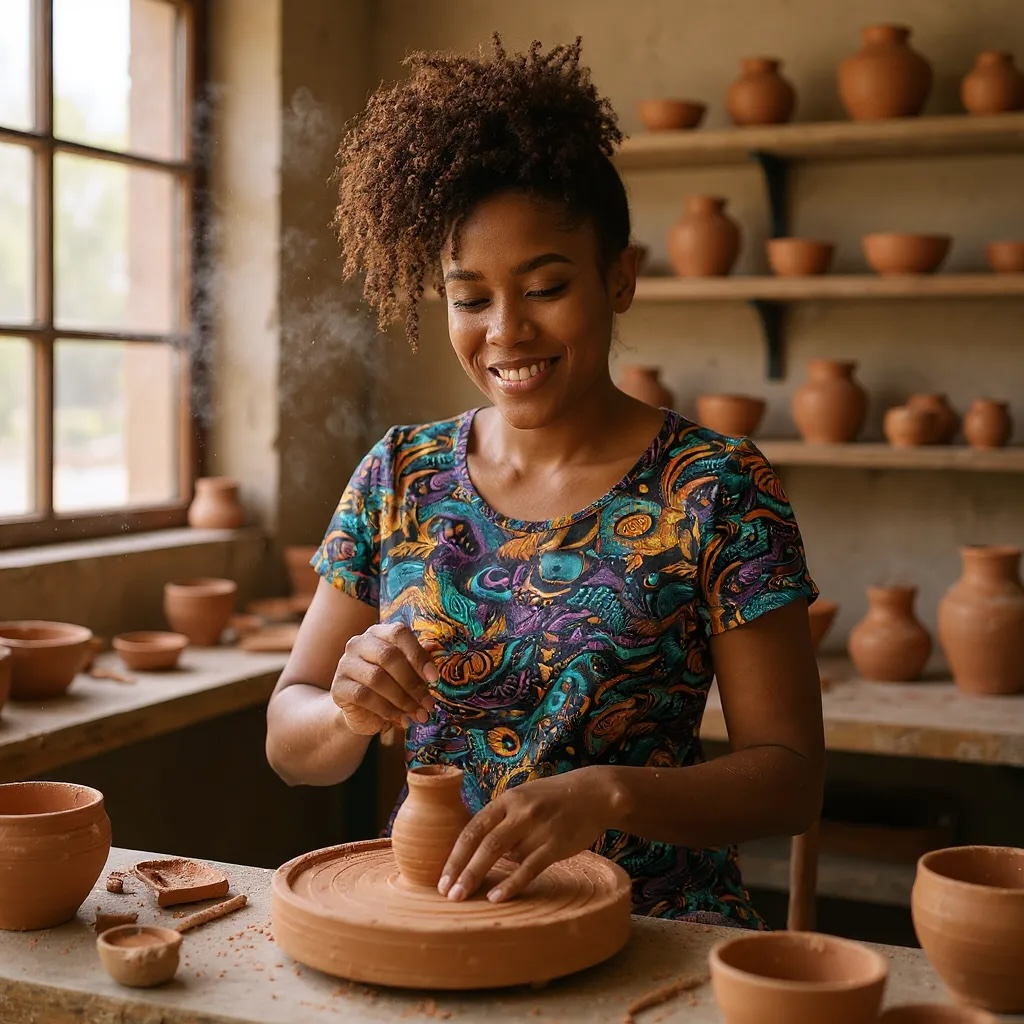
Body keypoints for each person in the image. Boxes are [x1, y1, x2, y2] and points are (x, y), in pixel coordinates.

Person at [265, 35, 824, 930]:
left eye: (546, 286)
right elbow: (292, 745)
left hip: (653, 932)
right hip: (442, 920)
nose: (506, 331)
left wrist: (609, 794)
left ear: (620, 278)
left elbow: (790, 781)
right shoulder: (399, 475)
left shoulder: (718, 487)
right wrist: (345, 710)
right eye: (470, 297)